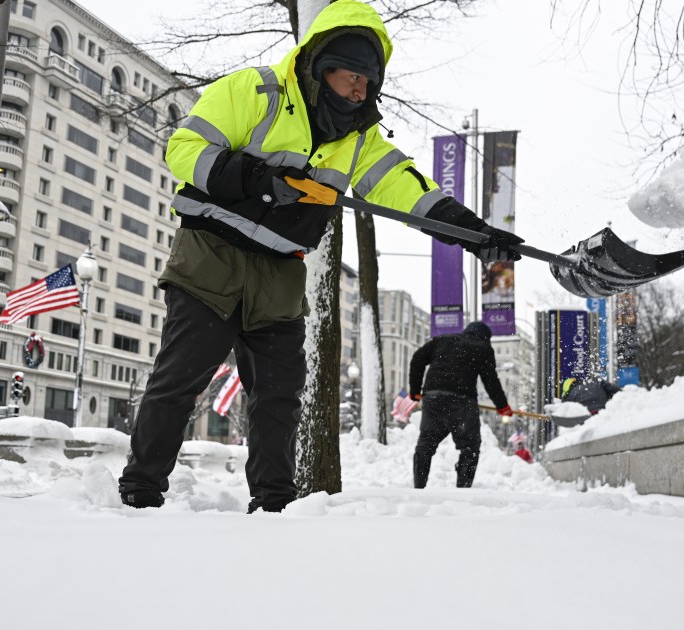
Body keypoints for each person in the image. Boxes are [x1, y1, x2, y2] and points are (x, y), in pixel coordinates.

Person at [118, 1, 522, 511]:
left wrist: (474, 233)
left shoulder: (360, 138)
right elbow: (184, 148)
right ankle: (140, 489)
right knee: (180, 381)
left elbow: (407, 188)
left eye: (369, 81)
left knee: (280, 397)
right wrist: (257, 180)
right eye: (352, 75)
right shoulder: (254, 92)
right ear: (320, 65)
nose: (360, 89)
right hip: (210, 256)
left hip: (282, 270)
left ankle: (274, 504)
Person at [408, 321, 514, 489]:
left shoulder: (442, 340)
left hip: (433, 398)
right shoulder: (483, 347)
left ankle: (419, 487)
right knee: (470, 446)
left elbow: (417, 359)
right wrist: (502, 406)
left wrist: (415, 390)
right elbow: (490, 380)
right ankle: (463, 490)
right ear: (485, 338)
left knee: (426, 444)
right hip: (461, 401)